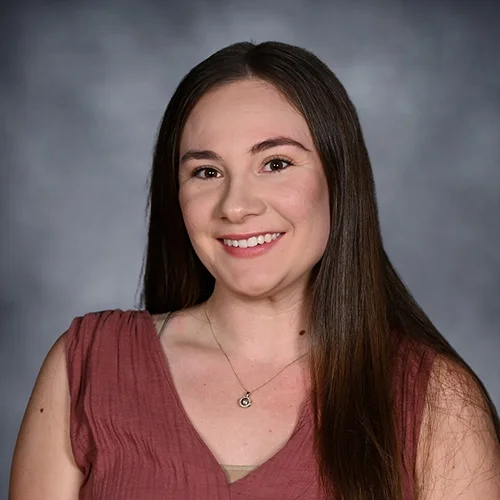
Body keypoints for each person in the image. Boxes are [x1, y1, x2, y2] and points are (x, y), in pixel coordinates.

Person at [9, 41, 500, 500]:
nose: (236, 206)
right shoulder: (87, 364)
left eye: (276, 163)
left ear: (339, 178)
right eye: (206, 171)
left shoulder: (438, 402)